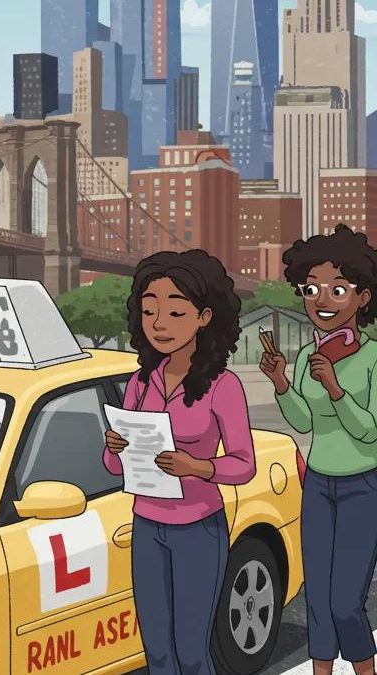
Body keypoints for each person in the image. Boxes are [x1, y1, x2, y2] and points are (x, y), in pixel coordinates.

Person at [103, 249, 256, 675]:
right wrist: (114, 447)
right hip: (147, 526)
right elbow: (116, 470)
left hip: (198, 530)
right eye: (150, 311)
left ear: (204, 316)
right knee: (158, 654)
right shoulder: (139, 381)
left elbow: (244, 464)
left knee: (191, 653)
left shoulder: (223, 386)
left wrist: (198, 467)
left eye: (174, 312)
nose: (159, 324)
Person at [260, 223, 377, 675]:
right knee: (319, 597)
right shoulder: (314, 356)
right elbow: (306, 424)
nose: (321, 300)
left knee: (347, 600)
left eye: (337, 289)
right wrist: (282, 384)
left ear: (363, 297)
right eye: (311, 289)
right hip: (318, 484)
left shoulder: (370, 359)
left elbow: (369, 432)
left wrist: (335, 389)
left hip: (363, 487)